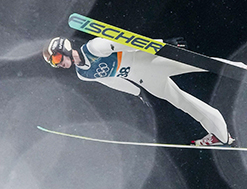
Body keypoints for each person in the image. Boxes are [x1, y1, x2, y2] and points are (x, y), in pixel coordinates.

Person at [42, 35, 236, 146]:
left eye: (57, 58)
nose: (59, 64)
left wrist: (162, 45)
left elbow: (129, 42)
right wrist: (137, 92)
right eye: (55, 64)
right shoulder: (83, 74)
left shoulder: (93, 47)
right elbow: (112, 81)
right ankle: (220, 134)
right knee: (182, 102)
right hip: (144, 79)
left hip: (151, 61)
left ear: (64, 48)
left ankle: (242, 69)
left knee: (202, 64)